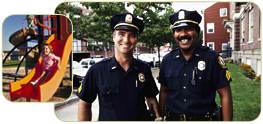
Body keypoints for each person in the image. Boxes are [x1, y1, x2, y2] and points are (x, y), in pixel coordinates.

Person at [77, 13, 161, 121]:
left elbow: (151, 98)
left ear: (136, 39)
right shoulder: (97, 70)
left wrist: (158, 117)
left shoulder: (144, 68)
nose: (126, 40)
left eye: (132, 35)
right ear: (113, 37)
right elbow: (84, 103)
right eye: (121, 34)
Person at [158, 9, 233, 121]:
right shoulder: (167, 60)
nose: (183, 34)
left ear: (197, 32)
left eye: (188, 29)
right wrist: (160, 116)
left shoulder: (212, 58)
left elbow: (225, 94)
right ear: (174, 34)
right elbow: (164, 91)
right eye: (178, 30)